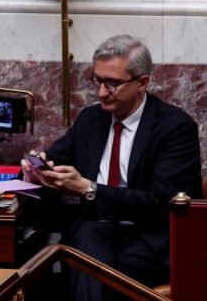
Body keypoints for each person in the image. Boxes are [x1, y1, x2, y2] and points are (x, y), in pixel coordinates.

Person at [21, 34, 202, 301]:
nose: (101, 92)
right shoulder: (92, 119)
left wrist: (89, 189)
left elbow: (160, 201)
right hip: (97, 228)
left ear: (142, 82)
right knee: (71, 251)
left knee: (100, 274)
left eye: (112, 83)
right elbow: (54, 159)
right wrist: (35, 173)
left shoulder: (174, 127)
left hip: (149, 236)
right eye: (98, 80)